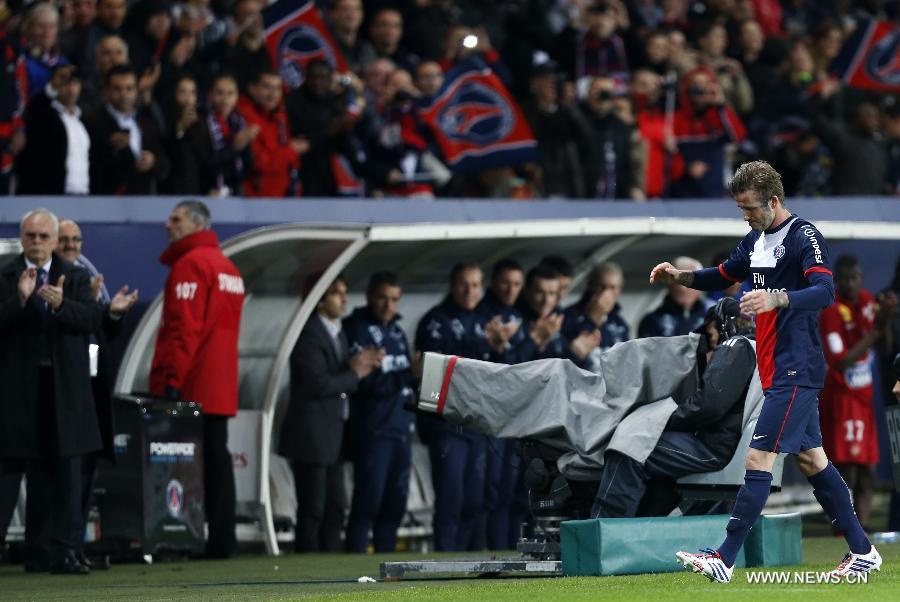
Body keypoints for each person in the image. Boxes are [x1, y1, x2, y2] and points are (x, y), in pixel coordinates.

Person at [649, 160, 880, 582]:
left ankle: (724, 556)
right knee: (812, 460)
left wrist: (778, 299)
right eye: (741, 209)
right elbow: (722, 275)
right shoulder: (756, 239)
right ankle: (863, 550)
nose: (746, 216)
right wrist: (680, 276)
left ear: (773, 201)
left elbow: (825, 290)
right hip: (776, 365)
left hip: (797, 365)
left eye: (751, 208)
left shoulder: (803, 236)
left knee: (757, 458)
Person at [0, 209, 133, 574]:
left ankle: (61, 551)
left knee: (63, 474)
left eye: (44, 236)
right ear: (23, 237)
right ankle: (36, 550)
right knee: (11, 474)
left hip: (64, 391)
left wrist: (61, 306)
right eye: (31, 236)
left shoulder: (74, 276)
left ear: (54, 239)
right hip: (17, 392)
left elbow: (92, 320)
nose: (37, 242)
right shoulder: (6, 274)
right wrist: (21, 300)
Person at [592, 298, 756, 518]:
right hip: (728, 446)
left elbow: (708, 406)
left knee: (629, 446)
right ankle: (638, 536)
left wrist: (660, 418)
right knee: (657, 473)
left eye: (711, 335)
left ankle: (600, 535)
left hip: (712, 448)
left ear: (725, 326)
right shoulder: (759, 349)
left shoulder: (735, 345)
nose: (710, 344)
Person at [149, 200, 245, 559]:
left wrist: (171, 379)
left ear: (197, 225)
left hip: (192, 381)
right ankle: (223, 539)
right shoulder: (228, 267)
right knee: (218, 460)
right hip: (220, 382)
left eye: (176, 219)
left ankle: (184, 537)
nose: (167, 224)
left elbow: (183, 330)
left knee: (187, 464)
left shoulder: (190, 266)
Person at [278, 275, 383, 553]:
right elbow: (316, 383)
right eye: (337, 293)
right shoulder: (308, 332)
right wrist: (355, 372)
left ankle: (328, 561)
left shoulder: (337, 331)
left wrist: (356, 366)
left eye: (344, 292)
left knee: (335, 507)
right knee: (313, 507)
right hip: (311, 434)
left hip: (334, 434)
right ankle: (307, 566)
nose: (344, 299)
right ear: (319, 300)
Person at [57, 218, 137, 567]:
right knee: (62, 474)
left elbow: (103, 332)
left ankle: (74, 545)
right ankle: (56, 546)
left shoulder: (89, 281)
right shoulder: (46, 282)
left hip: (91, 389)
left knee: (86, 469)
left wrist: (110, 313)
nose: (72, 245)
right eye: (65, 239)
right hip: (60, 391)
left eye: (77, 239)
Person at [415, 262, 495, 552]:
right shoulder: (436, 321)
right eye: (464, 283)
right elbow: (439, 367)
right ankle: (444, 559)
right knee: (451, 498)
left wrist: (498, 347)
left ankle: (470, 561)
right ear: (452, 285)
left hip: (476, 422)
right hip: (447, 424)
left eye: (475, 284)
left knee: (476, 499)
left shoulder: (486, 319)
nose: (470, 290)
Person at [819, 254, 896, 530]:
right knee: (845, 466)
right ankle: (842, 523)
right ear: (837, 281)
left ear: (862, 279)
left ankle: (860, 525)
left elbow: (885, 347)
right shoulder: (831, 311)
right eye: (846, 279)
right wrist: (875, 333)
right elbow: (840, 361)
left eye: (856, 279)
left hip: (864, 398)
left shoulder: (867, 302)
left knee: (868, 467)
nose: (852, 284)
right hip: (840, 397)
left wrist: (885, 319)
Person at [343, 271, 414, 553]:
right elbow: (366, 384)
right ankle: (353, 568)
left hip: (401, 431)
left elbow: (403, 380)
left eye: (394, 299)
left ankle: (387, 570)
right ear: (370, 296)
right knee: (367, 505)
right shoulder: (355, 328)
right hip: (373, 432)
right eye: (383, 298)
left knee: (394, 507)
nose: (388, 305)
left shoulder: (397, 331)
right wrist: (409, 374)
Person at [84, 64, 170, 194]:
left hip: (144, 199)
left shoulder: (147, 123)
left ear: (136, 91)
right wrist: (111, 148)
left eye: (129, 88)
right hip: (106, 200)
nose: (124, 94)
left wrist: (152, 162)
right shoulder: (93, 122)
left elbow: (165, 164)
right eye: (117, 89)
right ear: (106, 91)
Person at [16, 65, 91, 195]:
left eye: (74, 83)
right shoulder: (44, 114)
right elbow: (33, 108)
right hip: (51, 194)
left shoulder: (84, 120)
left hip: (83, 194)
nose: (70, 88)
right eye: (65, 83)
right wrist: (52, 87)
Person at [237, 69, 303, 197]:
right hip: (257, 198)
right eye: (267, 87)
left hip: (283, 195)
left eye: (277, 88)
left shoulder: (280, 116)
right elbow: (260, 162)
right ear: (252, 88)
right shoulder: (244, 116)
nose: (273, 94)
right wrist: (292, 151)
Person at [563, 262, 630, 373]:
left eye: (612, 288)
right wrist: (594, 317)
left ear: (619, 290)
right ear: (590, 286)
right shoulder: (569, 316)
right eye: (601, 286)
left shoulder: (620, 323)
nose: (606, 293)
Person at [639, 256, 707, 338]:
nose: (682, 288)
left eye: (688, 281)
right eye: (677, 281)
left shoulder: (711, 318)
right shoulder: (652, 321)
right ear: (668, 284)